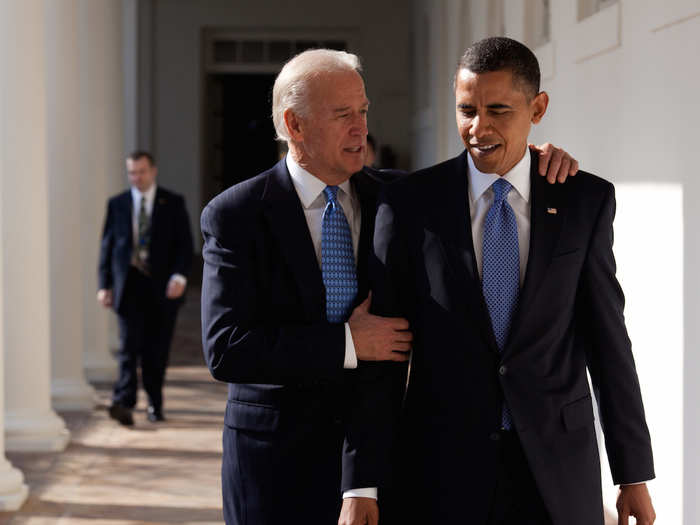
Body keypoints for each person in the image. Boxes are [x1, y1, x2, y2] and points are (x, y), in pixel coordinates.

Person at [200, 48, 577, 525]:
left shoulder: (400, 198)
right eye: (343, 116)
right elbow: (226, 349)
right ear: (295, 125)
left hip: (384, 463)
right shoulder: (235, 215)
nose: (361, 128)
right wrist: (349, 343)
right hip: (275, 465)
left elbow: (485, 166)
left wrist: (535, 158)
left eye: (362, 112)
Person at [372, 37, 655, 525]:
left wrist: (632, 474)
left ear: (538, 107)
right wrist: (363, 481)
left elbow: (608, 342)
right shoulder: (411, 203)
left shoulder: (582, 202)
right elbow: (387, 359)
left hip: (556, 470)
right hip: (441, 469)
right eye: (467, 110)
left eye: (498, 110)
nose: (478, 128)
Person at [98, 151, 194, 426]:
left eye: (141, 172)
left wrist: (179, 277)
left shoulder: (173, 203)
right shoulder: (117, 204)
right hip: (128, 286)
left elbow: (184, 246)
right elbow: (107, 248)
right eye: (131, 172)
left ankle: (155, 403)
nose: (136, 177)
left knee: (156, 349)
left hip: (162, 288)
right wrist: (104, 285)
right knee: (128, 346)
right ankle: (124, 402)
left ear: (153, 171)